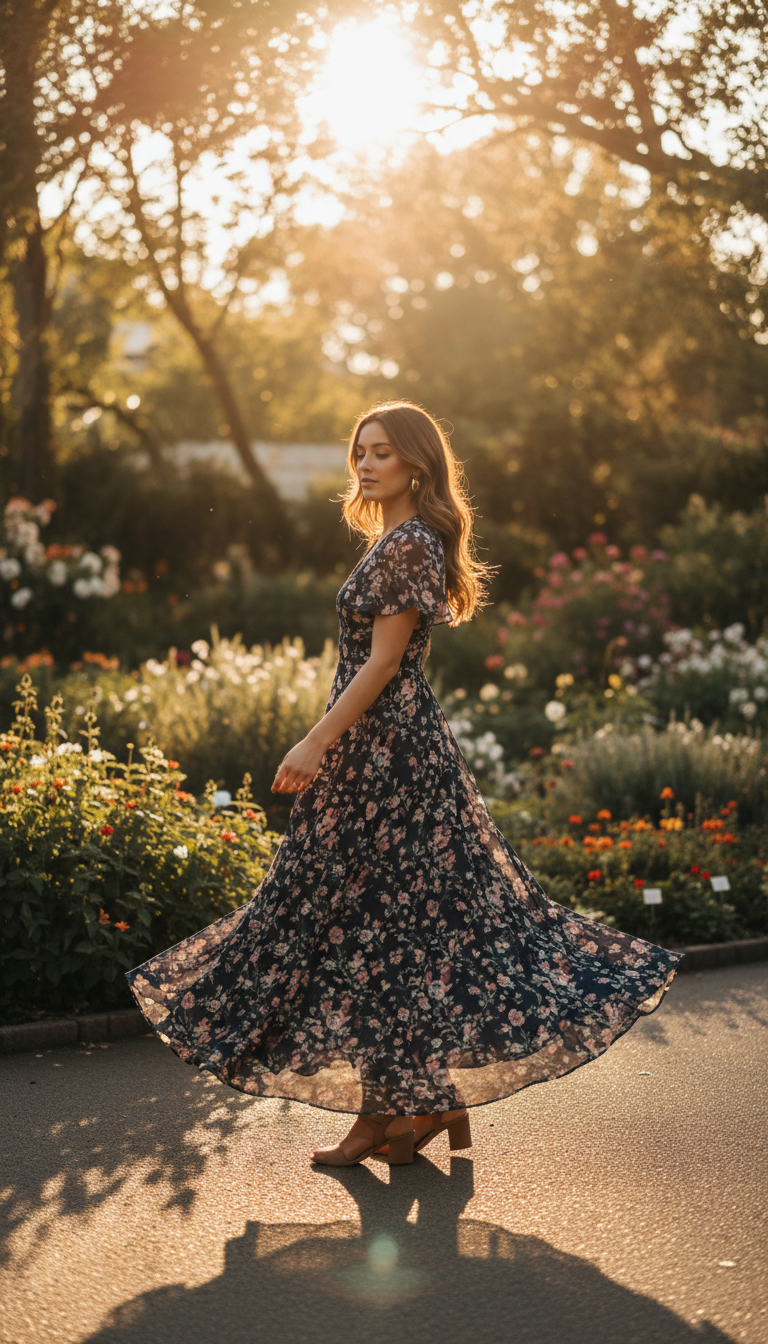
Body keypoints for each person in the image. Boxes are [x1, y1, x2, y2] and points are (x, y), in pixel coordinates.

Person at [127, 400, 684, 1168]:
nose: (365, 463)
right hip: (376, 756)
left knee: (375, 925)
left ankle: (391, 1109)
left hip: (387, 761)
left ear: (416, 463)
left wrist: (316, 742)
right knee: (381, 927)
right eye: (360, 450)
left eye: (382, 452)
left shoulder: (411, 542)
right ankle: (418, 1101)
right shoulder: (394, 539)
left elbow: (383, 662)